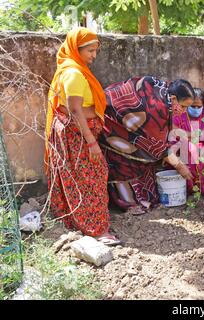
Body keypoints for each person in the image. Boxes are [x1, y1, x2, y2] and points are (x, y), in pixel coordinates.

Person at [45, 27, 119, 245]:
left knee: (80, 178)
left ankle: (79, 222)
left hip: (77, 133)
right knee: (91, 178)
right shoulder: (74, 74)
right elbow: (75, 111)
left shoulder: (75, 70)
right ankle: (96, 230)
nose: (94, 56)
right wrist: (91, 142)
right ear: (76, 49)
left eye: (96, 51)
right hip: (78, 136)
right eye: (90, 51)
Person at [100, 77, 194, 213]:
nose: (184, 111)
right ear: (173, 98)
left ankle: (141, 196)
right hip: (111, 122)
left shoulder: (163, 91)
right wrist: (180, 166)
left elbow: (162, 131)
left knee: (145, 160)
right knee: (123, 162)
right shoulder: (156, 108)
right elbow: (159, 148)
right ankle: (129, 202)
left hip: (128, 122)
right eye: (184, 106)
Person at [172, 88, 204, 196]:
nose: (196, 109)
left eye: (199, 107)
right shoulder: (178, 116)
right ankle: (194, 190)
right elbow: (174, 135)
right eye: (192, 106)